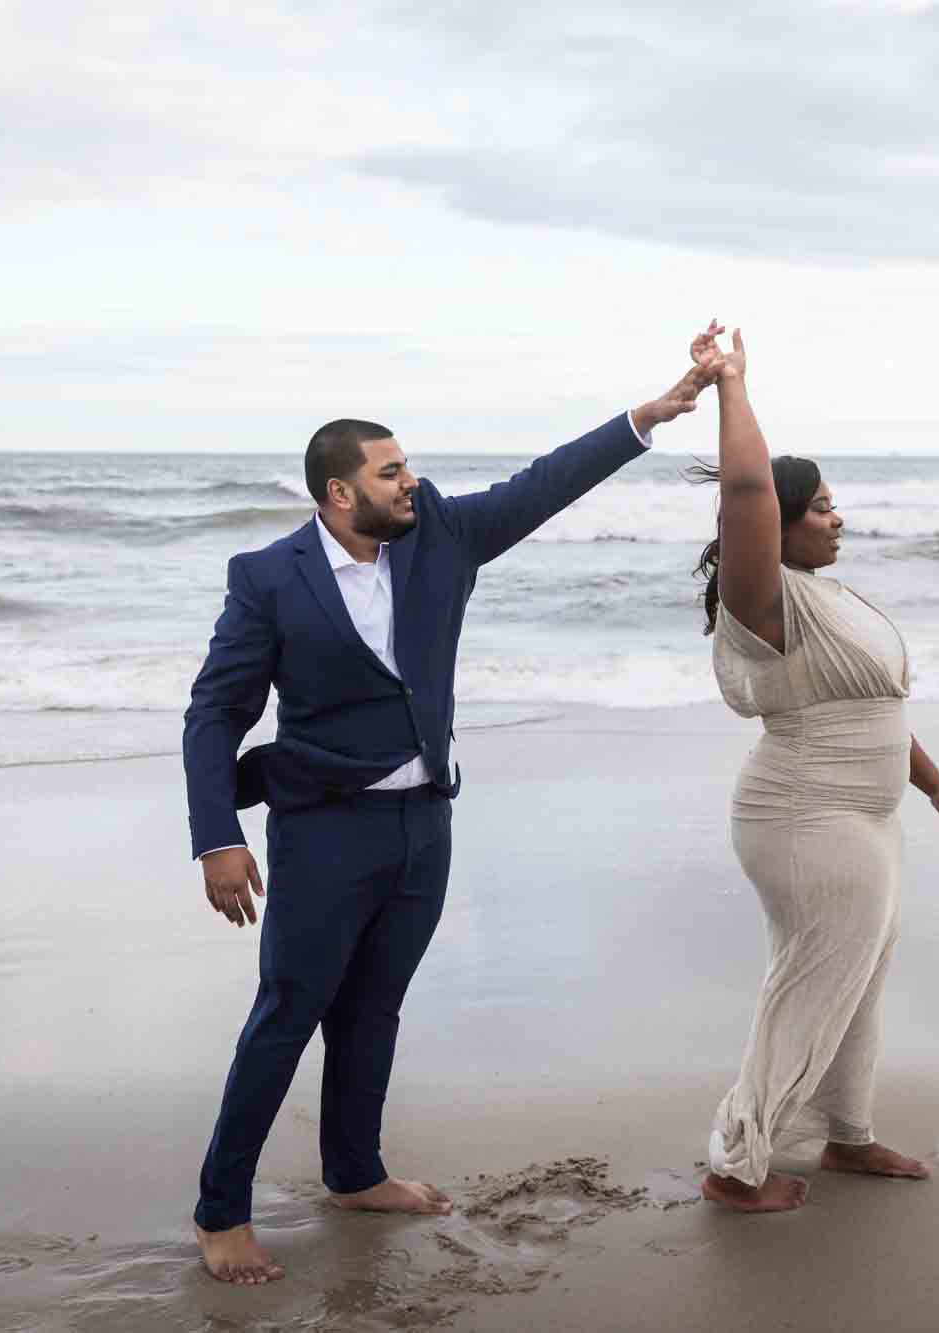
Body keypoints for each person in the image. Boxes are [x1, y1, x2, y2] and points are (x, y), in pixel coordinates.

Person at [182, 358, 712, 1283]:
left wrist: (650, 413)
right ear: (340, 492)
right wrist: (217, 836)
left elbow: (544, 484)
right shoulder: (268, 577)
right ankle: (220, 1210)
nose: (411, 480)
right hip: (322, 830)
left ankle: (354, 1172)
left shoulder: (444, 536)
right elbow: (214, 714)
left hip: (425, 825)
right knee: (288, 1013)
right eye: (390, 472)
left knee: (374, 1007)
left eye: (408, 465)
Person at [688, 322, 939, 1212]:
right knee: (811, 984)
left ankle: (845, 1134)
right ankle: (736, 1162)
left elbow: (871, 705)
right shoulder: (764, 598)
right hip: (806, 816)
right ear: (778, 520)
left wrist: (934, 785)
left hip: (866, 816)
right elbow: (743, 486)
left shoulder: (826, 597)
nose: (836, 516)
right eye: (819, 506)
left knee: (857, 978)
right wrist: (732, 385)